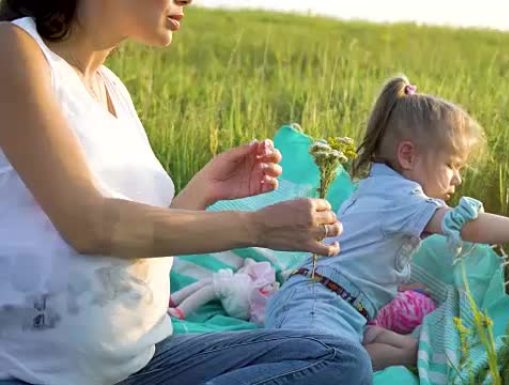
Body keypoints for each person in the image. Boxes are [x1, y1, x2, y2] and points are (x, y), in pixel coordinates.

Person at [0, 1, 372, 384]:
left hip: (145, 361)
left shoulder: (112, 89)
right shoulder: (15, 49)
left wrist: (203, 191)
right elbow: (89, 226)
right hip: (41, 377)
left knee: (338, 360)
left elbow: (134, 245)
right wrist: (255, 227)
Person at [265, 75, 509, 371]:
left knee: (377, 346)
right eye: (451, 165)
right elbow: (470, 226)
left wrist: (399, 285)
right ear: (408, 155)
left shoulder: (375, 184)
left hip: (314, 300)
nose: (458, 178)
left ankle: (409, 352)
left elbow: (361, 253)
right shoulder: (406, 198)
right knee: (331, 368)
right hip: (322, 307)